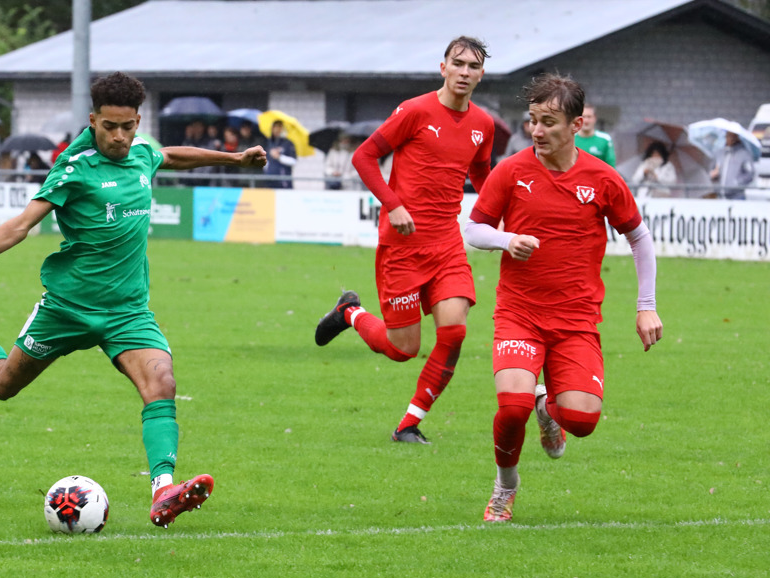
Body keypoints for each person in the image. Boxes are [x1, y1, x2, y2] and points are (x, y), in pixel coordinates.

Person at [0, 71, 266, 529]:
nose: (119, 137)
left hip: (128, 310)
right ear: (93, 120)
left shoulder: (141, 151)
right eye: (109, 127)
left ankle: (163, 490)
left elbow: (170, 155)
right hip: (68, 307)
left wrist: (235, 158)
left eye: (128, 126)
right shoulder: (74, 167)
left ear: (137, 122)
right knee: (3, 385)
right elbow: (21, 225)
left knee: (161, 381)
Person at [463, 73, 663, 522]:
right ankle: (505, 486)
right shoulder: (511, 171)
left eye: (548, 122)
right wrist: (506, 240)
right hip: (519, 313)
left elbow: (639, 238)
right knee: (510, 408)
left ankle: (547, 408)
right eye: (533, 120)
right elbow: (474, 228)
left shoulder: (603, 179)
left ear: (576, 125)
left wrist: (646, 306)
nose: (536, 130)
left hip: (575, 320)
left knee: (583, 421)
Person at [314, 36, 495, 445]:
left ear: (481, 74)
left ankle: (409, 424)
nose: (464, 72)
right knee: (402, 349)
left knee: (454, 332)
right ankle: (350, 313)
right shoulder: (414, 111)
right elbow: (363, 156)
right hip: (403, 246)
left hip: (447, 244)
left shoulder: (483, 125)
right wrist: (393, 204)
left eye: (473, 66)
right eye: (458, 63)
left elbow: (483, 177)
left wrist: (505, 217)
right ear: (443, 67)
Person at [709, 131, 755, 200]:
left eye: (732, 136)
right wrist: (713, 175)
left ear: (737, 138)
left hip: (737, 196)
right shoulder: (720, 153)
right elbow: (711, 169)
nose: (730, 139)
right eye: (728, 136)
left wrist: (736, 183)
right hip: (719, 195)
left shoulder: (744, 154)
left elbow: (749, 174)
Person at [180, 119, 220, 186]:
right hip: (189, 180)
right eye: (195, 126)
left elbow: (210, 162)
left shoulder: (209, 143)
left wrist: (203, 176)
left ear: (203, 128)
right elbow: (182, 158)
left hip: (206, 182)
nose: (197, 129)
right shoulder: (188, 142)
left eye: (199, 126)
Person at [262, 119, 297, 189]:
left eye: (279, 127)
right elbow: (265, 160)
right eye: (275, 127)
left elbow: (293, 161)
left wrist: (279, 157)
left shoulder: (288, 143)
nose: (277, 129)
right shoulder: (268, 142)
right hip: (269, 180)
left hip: (284, 182)